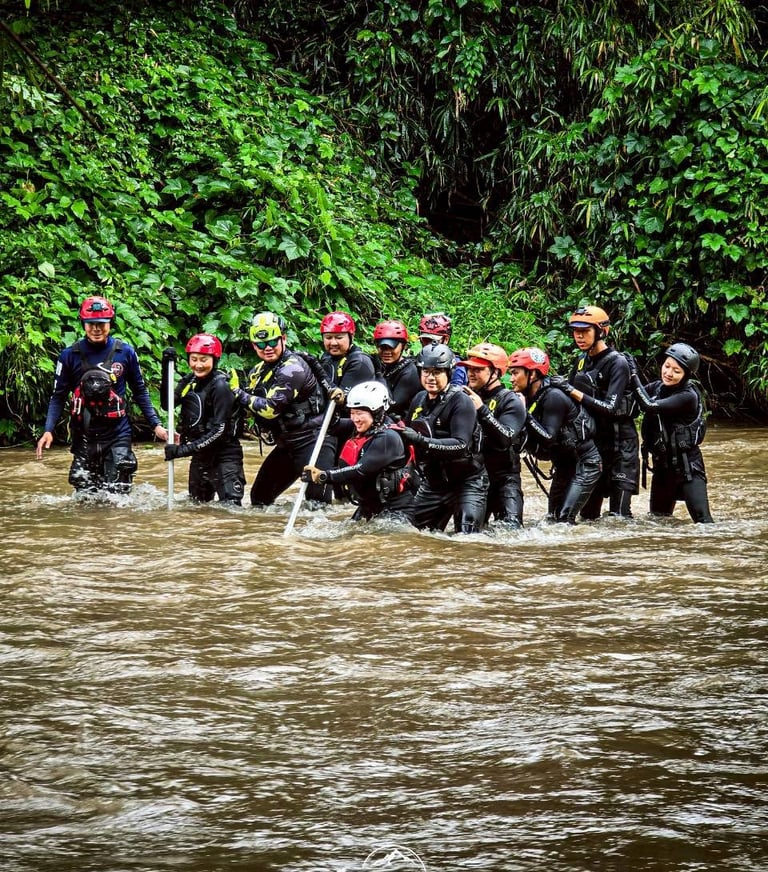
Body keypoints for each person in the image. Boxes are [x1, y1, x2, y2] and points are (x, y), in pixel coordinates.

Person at [35, 295, 167, 494]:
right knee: (85, 498)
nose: (96, 329)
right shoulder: (69, 355)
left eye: (101, 324)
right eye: (91, 324)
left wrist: (156, 425)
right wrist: (48, 430)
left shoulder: (126, 352)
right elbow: (58, 396)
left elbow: (140, 391)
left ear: (110, 323)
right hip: (84, 436)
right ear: (83, 324)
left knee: (119, 496)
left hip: (117, 434)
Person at [233, 311, 334, 507]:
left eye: (272, 342)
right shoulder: (257, 372)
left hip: (312, 439)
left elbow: (270, 409)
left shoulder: (292, 368)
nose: (267, 348)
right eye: (261, 344)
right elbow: (249, 408)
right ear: (254, 345)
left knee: (317, 506)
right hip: (287, 443)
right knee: (259, 499)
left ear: (284, 338)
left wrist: (238, 393)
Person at [551, 306, 639, 519]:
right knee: (589, 515)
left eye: (585, 331)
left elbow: (610, 407)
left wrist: (572, 391)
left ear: (600, 332)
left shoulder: (617, 363)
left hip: (621, 446)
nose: (579, 336)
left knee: (619, 516)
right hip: (594, 445)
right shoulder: (582, 360)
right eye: (576, 331)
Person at [509, 347, 602, 524]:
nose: (511, 379)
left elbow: (548, 438)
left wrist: (524, 414)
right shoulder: (528, 397)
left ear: (533, 374)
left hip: (585, 464)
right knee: (552, 519)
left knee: (564, 519)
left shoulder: (553, 396)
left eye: (515, 373)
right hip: (564, 466)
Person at [401, 343, 488, 533]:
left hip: (467, 482)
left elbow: (461, 445)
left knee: (467, 537)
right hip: (434, 483)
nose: (430, 377)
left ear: (449, 373)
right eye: (426, 371)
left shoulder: (461, 401)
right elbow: (406, 438)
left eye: (437, 372)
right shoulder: (419, 399)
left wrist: (421, 440)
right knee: (410, 534)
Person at [302, 381, 416, 523]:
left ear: (376, 412)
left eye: (360, 413)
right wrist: (338, 405)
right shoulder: (363, 427)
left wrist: (323, 476)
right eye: (352, 413)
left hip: (395, 510)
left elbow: (360, 470)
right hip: (368, 507)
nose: (355, 419)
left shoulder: (388, 438)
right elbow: (331, 426)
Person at [629, 342, 714, 523]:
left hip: (688, 469)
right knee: (659, 521)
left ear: (686, 375)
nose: (668, 373)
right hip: (662, 469)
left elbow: (649, 405)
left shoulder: (688, 396)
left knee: (704, 523)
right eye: (667, 366)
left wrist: (634, 374)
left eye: (676, 371)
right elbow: (634, 394)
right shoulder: (658, 388)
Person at [161, 334, 245, 505]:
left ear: (214, 359)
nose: (198, 365)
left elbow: (220, 431)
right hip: (201, 456)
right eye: (194, 359)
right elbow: (167, 404)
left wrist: (182, 450)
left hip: (224, 456)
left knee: (230, 509)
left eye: (204, 360)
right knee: (197, 507)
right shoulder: (190, 381)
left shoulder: (221, 386)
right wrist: (166, 369)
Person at [459, 343, 527, 528]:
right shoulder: (464, 397)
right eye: (469, 369)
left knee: (511, 531)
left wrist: (482, 410)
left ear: (496, 372)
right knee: (467, 533)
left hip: (505, 478)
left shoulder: (510, 400)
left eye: (478, 369)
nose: (471, 373)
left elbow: (506, 438)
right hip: (475, 478)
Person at [371, 319, 421, 421]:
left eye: (391, 347)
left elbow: (391, 405)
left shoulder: (410, 372)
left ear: (404, 346)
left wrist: (379, 374)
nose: (386, 352)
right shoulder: (382, 364)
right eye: (382, 347)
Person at [417, 312, 468, 387]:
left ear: (446, 339)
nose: (429, 345)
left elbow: (455, 391)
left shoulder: (456, 365)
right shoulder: (418, 359)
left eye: (434, 341)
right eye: (425, 340)